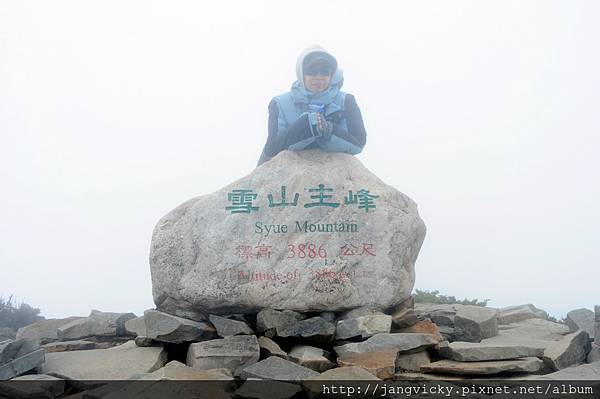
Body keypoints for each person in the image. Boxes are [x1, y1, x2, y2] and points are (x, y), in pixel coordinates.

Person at [256, 45, 367, 166]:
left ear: (332, 74)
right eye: (312, 71)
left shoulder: (346, 101)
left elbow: (358, 142)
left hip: (336, 173)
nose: (319, 77)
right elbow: (272, 148)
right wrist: (305, 126)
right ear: (302, 73)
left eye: (325, 72)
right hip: (285, 174)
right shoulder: (279, 103)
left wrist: (328, 130)